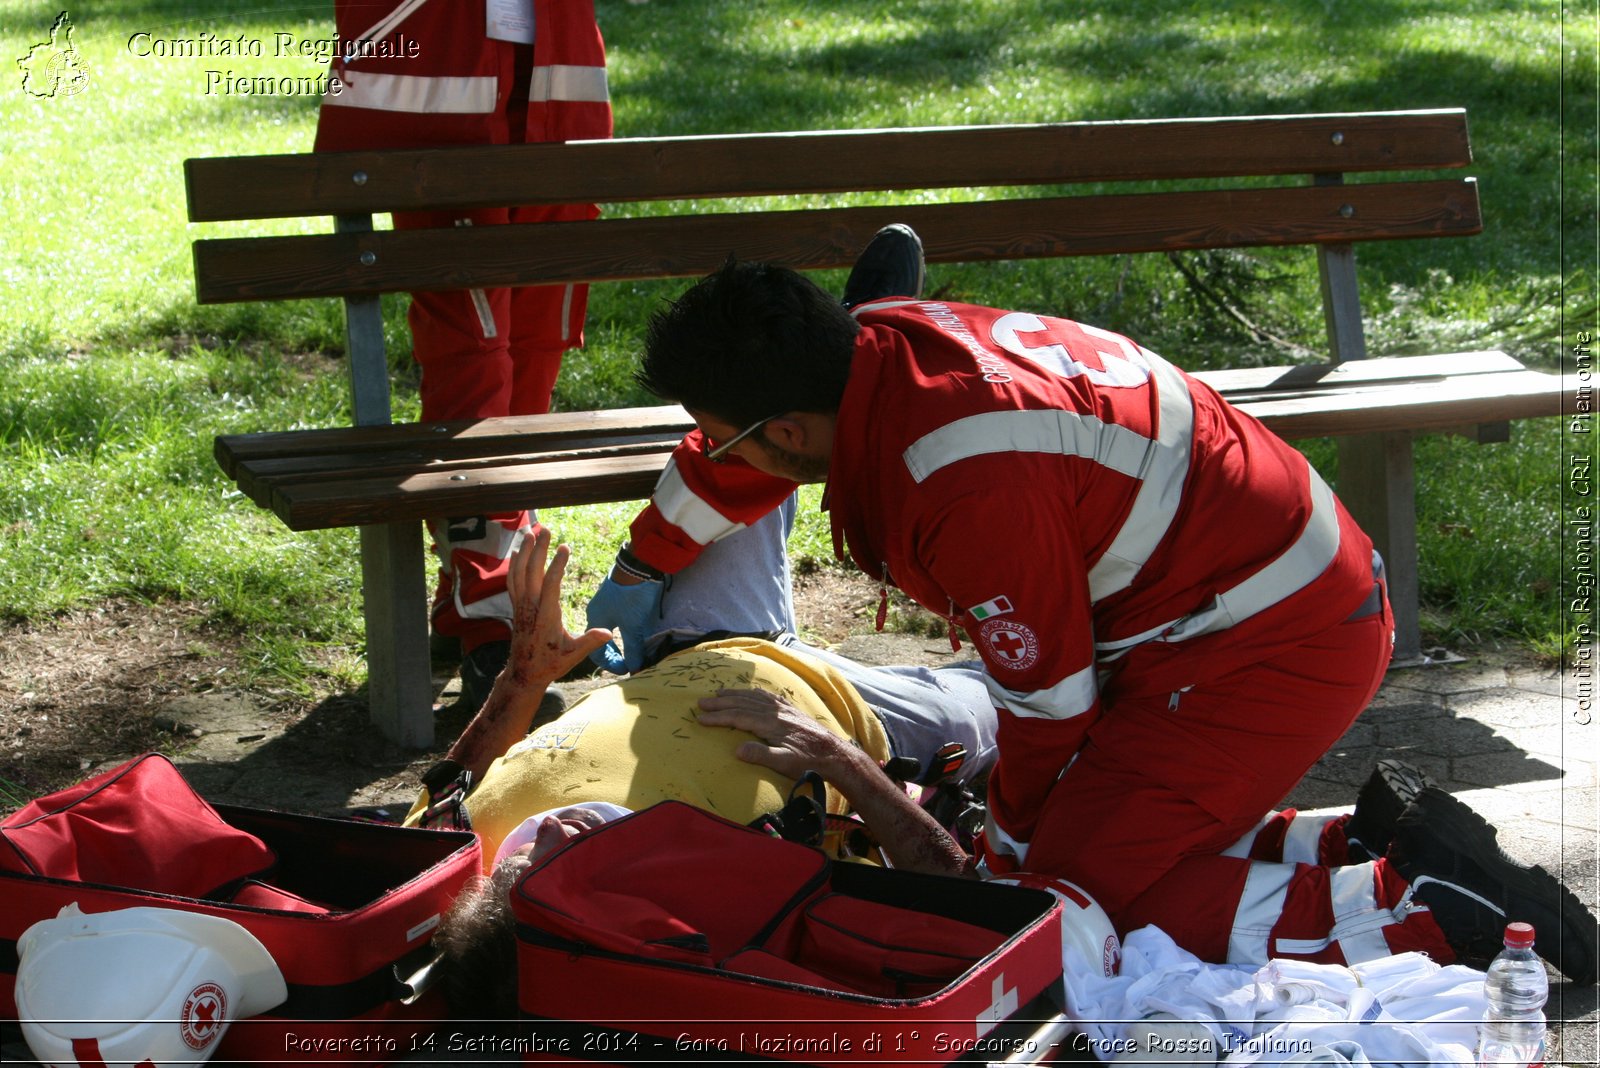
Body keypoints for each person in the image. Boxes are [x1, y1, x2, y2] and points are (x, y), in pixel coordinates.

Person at [579, 227, 1599, 984]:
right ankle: (1353, 844)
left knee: (1054, 917)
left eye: (723, 437)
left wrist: (1013, 850)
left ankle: (1425, 912)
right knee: (1071, 858)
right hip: (1236, 611)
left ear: (789, 429)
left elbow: (1048, 711)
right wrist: (643, 556)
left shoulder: (961, 478)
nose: (717, 458)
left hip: (1263, 643)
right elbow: (758, 460)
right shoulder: (881, 350)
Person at [419, 523, 998, 1016]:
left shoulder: (451, 863)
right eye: (570, 861)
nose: (548, 830)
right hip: (863, 713)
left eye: (515, 866)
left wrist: (520, 680)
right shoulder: (726, 898)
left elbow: (452, 783)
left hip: (697, 643)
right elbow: (958, 890)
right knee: (1042, 683)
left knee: (734, 447)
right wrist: (837, 756)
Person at [314, 1, 612, 711]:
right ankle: (489, 605)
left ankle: (472, 594)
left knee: (538, 347)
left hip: (555, 75)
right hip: (437, 76)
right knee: (473, 358)